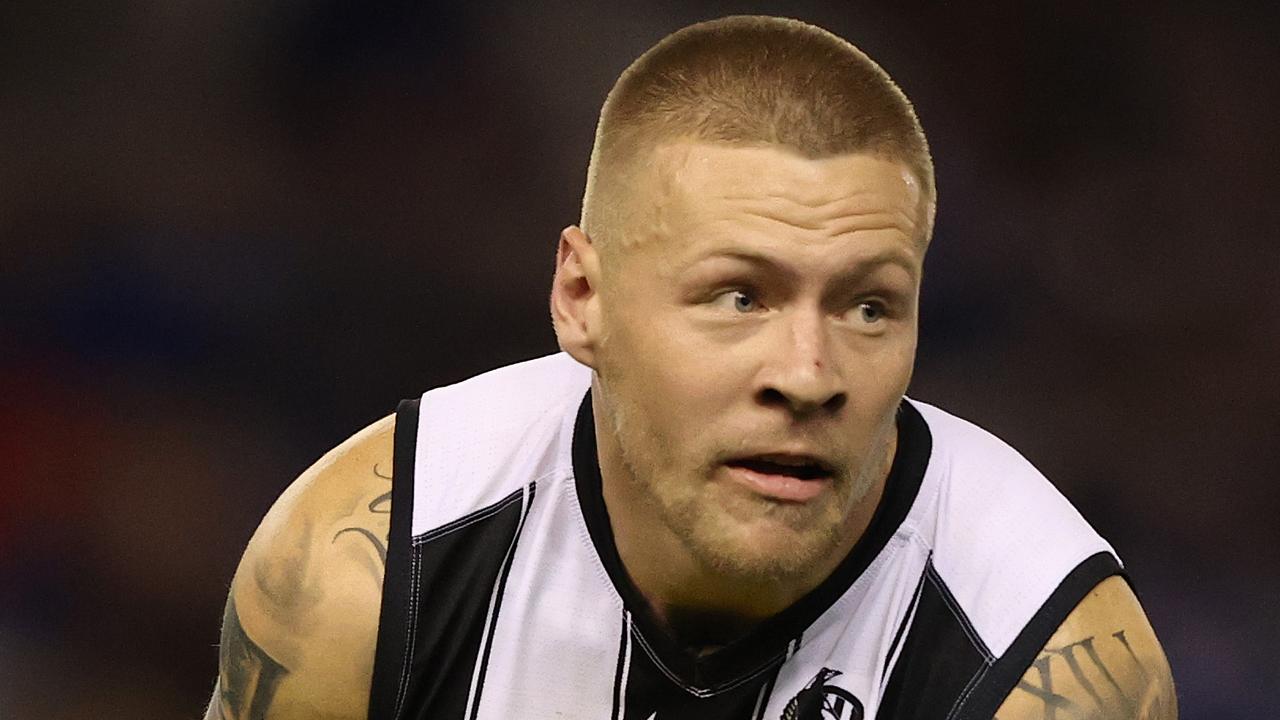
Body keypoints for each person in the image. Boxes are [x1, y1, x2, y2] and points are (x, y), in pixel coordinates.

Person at [203, 15, 1176, 720]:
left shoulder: (1041, 661)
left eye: (867, 305)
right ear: (582, 301)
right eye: (737, 297)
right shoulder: (366, 574)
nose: (807, 374)